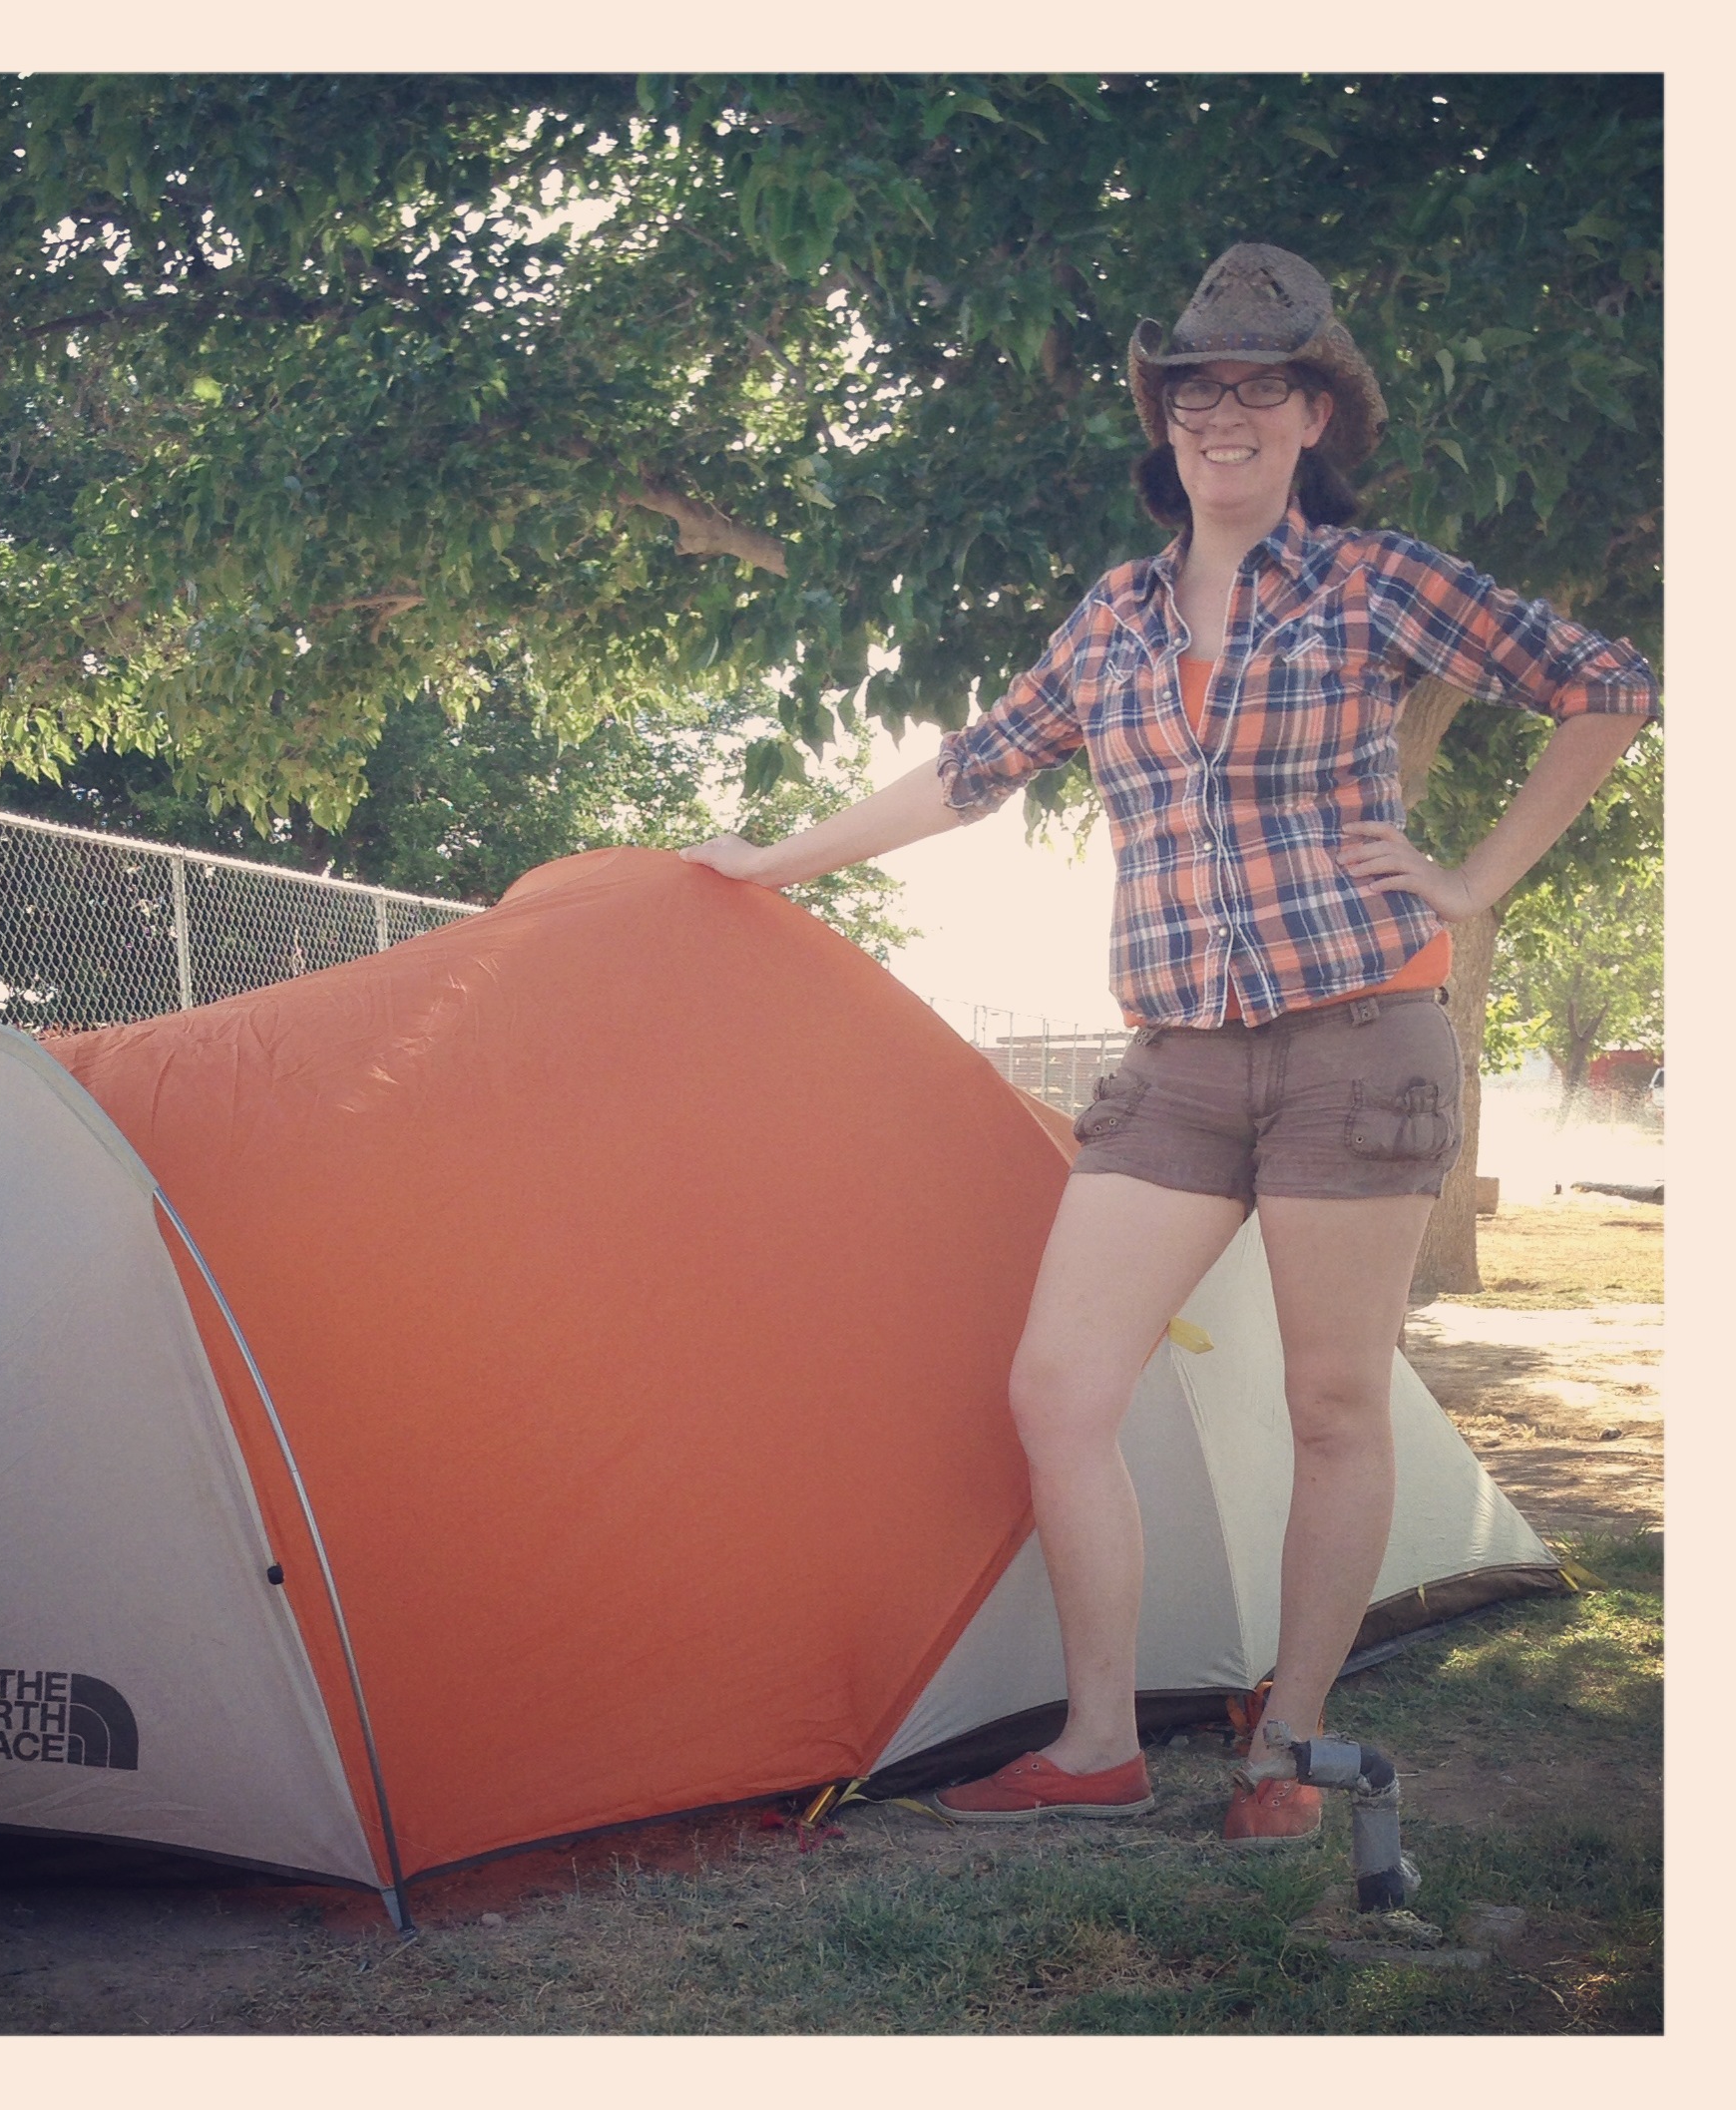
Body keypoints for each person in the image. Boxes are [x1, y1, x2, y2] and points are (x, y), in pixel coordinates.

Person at [679, 243, 1657, 1842]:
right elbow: (971, 773)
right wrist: (757, 865)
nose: (1227, 414)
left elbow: (1605, 685)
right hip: (1179, 1065)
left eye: (1263, 388)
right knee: (1060, 1390)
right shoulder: (1114, 619)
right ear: (1168, 417)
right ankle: (1095, 1740)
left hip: (1360, 1041)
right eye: (1200, 388)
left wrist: (1475, 884)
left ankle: (1287, 1744)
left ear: (1315, 415)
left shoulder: (1373, 580)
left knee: (1336, 1403)